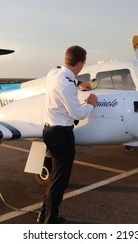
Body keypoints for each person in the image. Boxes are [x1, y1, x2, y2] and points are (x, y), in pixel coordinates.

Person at [38, 45, 97, 224]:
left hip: (49, 131)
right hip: (61, 135)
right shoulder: (66, 85)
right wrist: (91, 103)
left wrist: (80, 84)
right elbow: (78, 114)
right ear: (80, 63)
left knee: (56, 177)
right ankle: (49, 221)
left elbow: (64, 74)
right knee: (60, 181)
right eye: (83, 64)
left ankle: (44, 215)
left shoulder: (53, 74)